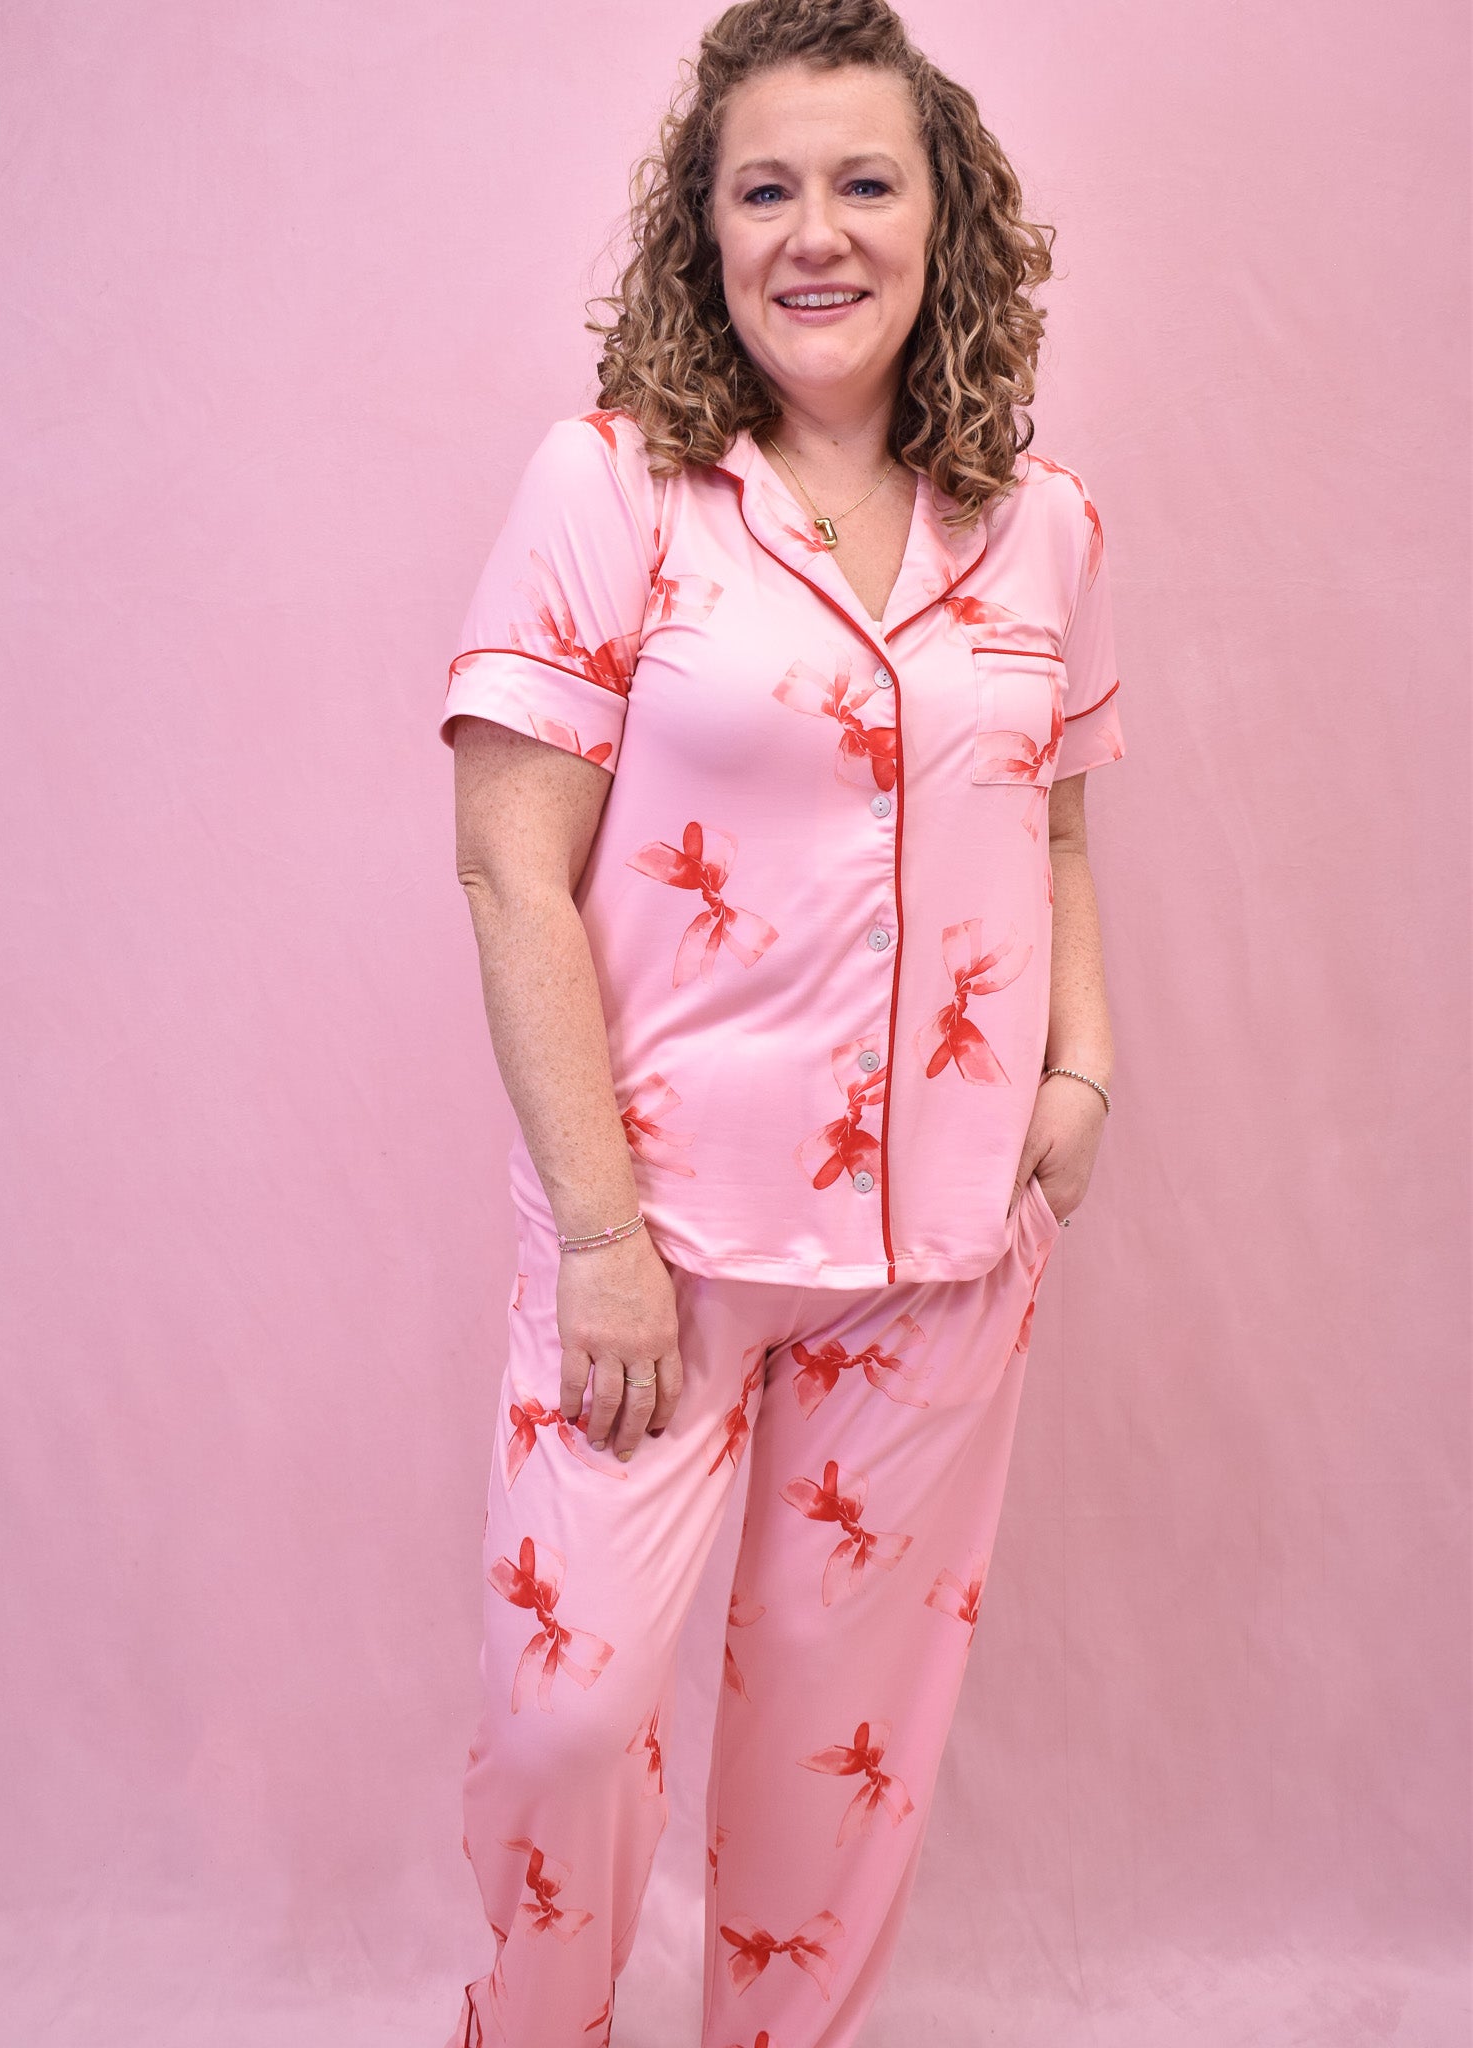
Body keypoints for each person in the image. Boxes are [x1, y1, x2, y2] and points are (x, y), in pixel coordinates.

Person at [436, 2, 1126, 2041]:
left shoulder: (1046, 525)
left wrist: (1082, 1069)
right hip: (657, 1246)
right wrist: (595, 1233)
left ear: (943, 220)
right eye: (766, 187)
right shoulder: (614, 488)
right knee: (566, 1722)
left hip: (937, 1264)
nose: (814, 230)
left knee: (839, 1790)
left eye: (863, 180)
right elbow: (506, 869)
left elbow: (1060, 822)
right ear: (703, 227)